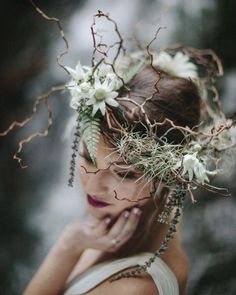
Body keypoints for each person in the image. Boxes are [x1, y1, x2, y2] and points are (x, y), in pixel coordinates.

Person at [21, 39, 234, 294]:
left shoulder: (133, 290)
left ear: (173, 174)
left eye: (124, 173)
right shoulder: (147, 214)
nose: (93, 185)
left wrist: (66, 249)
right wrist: (70, 244)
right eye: (88, 157)